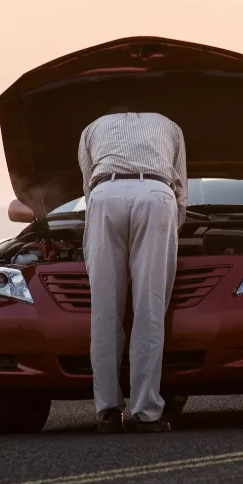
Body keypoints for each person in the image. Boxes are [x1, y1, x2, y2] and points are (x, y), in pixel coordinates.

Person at [78, 105, 187, 434]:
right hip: (155, 193)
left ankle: (108, 411)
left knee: (105, 311)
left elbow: (88, 185)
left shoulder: (92, 125)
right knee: (149, 307)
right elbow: (180, 187)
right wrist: (172, 228)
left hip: (105, 193)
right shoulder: (170, 124)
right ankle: (145, 411)